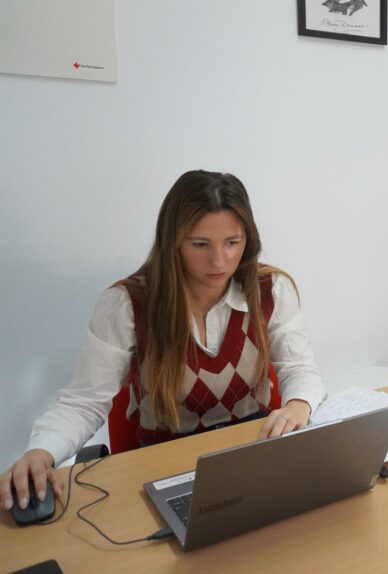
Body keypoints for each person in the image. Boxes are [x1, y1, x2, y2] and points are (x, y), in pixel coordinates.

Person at [1, 170, 325, 512]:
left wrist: (297, 405)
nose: (219, 261)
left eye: (232, 242)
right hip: (165, 466)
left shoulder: (270, 290)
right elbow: (85, 401)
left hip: (252, 452)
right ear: (173, 241)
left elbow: (299, 368)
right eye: (200, 244)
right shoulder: (128, 305)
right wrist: (40, 452)